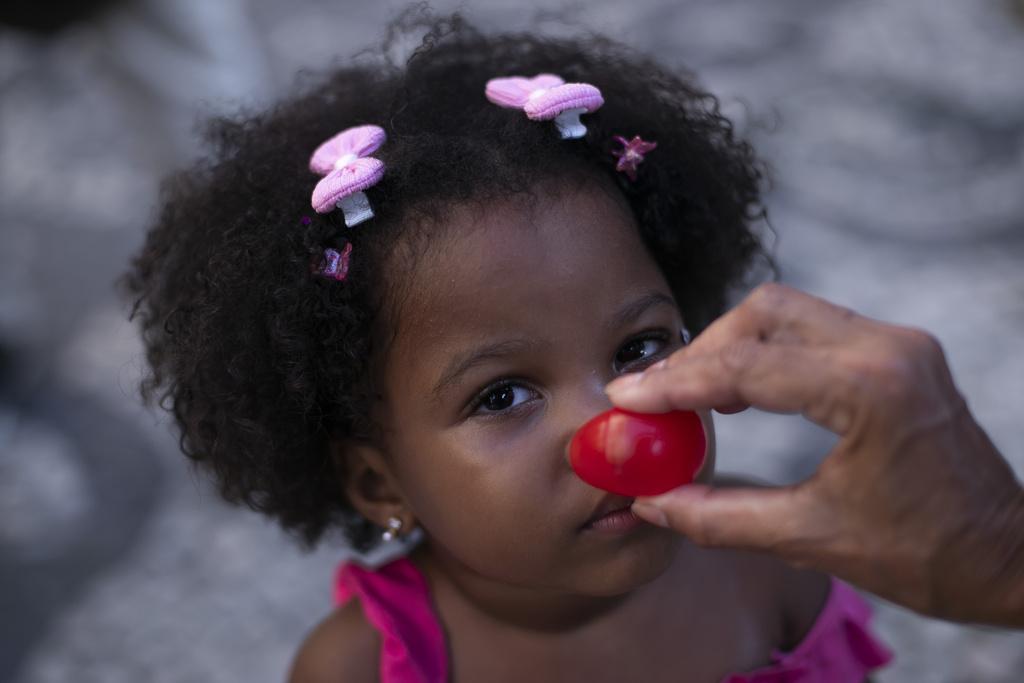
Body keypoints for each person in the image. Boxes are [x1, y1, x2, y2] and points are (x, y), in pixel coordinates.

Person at [125, 12, 894, 682]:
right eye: (502, 394)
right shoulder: (357, 670)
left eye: (639, 346)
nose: (614, 427)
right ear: (378, 482)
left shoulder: (772, 552)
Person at [607, 283, 1024, 628]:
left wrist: (1007, 561)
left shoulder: (778, 570)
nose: (612, 437)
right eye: (535, 392)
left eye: (638, 349)